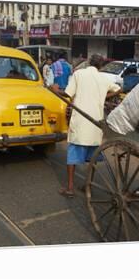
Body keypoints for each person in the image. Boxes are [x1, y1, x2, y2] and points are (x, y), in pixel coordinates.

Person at [50, 54, 121, 197]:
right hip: (96, 124)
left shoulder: (79, 74)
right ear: (101, 66)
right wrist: (102, 96)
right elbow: (118, 89)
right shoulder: (104, 79)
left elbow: (68, 94)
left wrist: (55, 90)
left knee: (72, 157)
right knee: (92, 158)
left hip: (81, 122)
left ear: (89, 63)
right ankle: (88, 186)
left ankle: (70, 187)